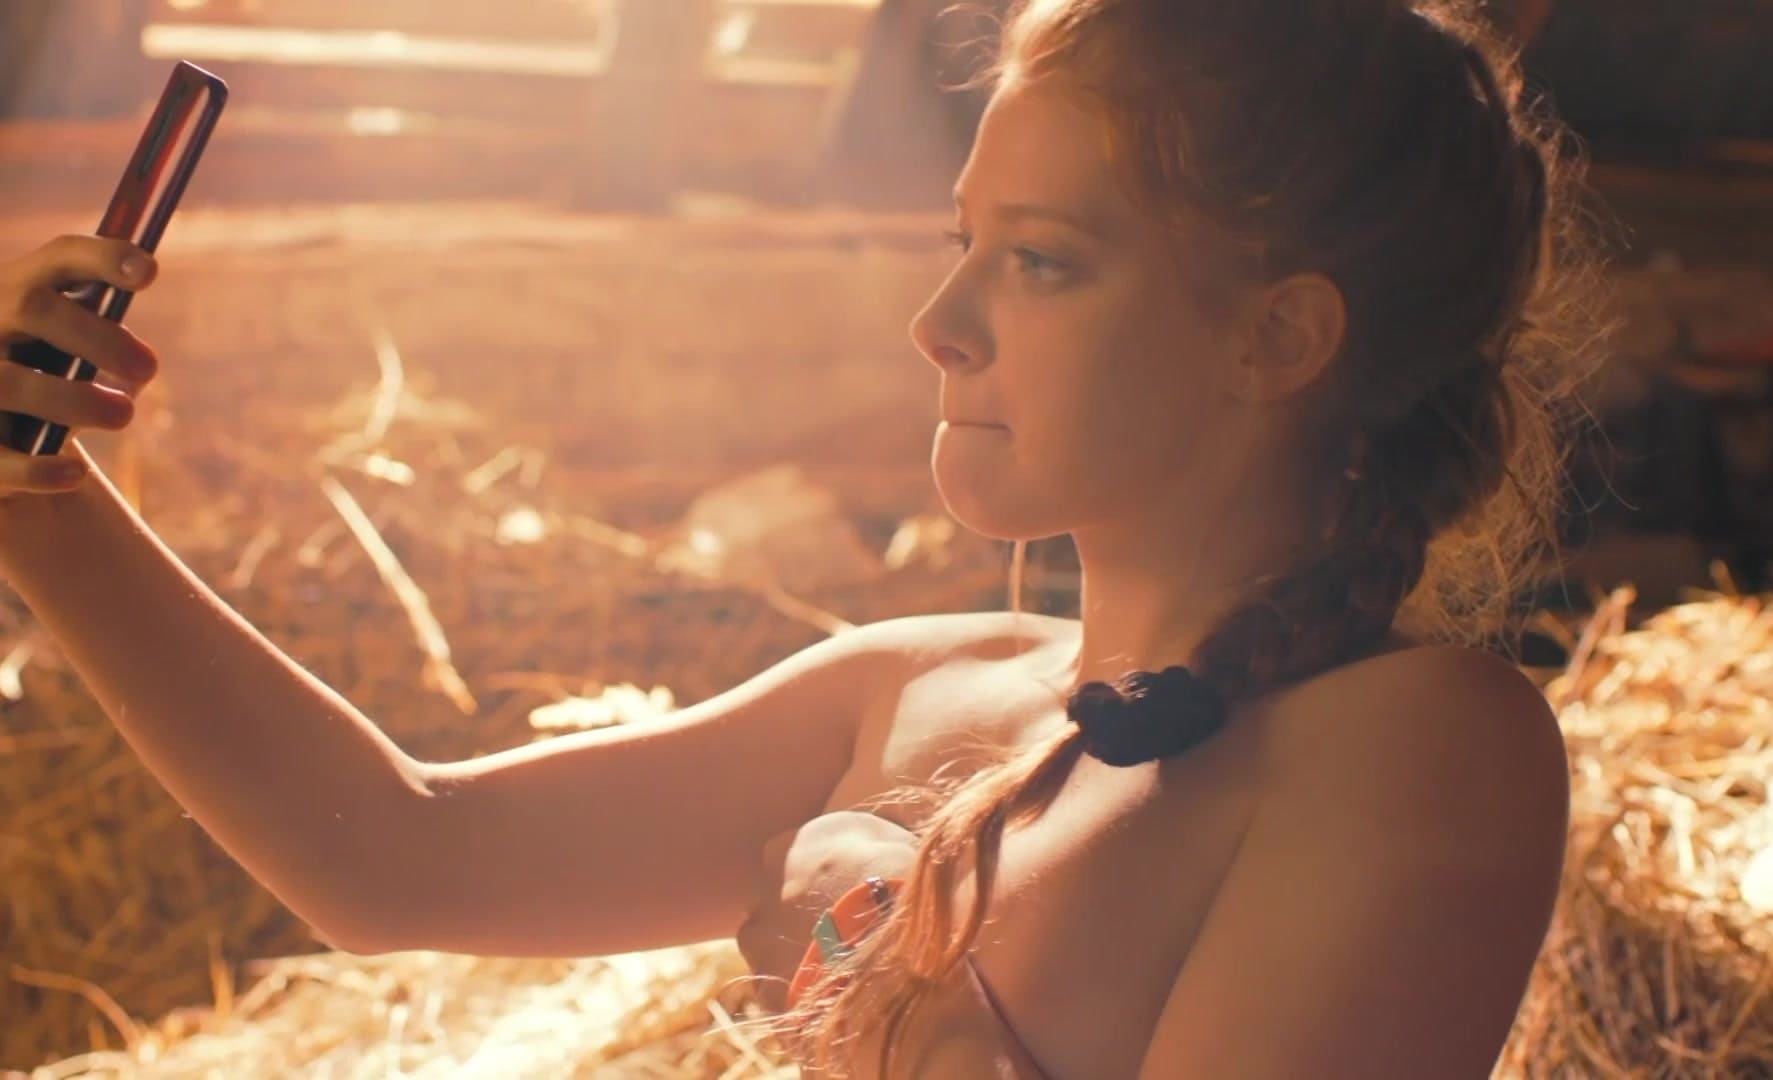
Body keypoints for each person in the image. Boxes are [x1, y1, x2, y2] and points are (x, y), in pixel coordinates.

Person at [0, 0, 1608, 1075]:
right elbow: (397, 857)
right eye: (960, 240)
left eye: (1040, 260)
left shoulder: (1415, 745)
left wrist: (874, 989)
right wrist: (44, 511)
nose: (938, 321)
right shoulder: (912, 685)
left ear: (1277, 336)